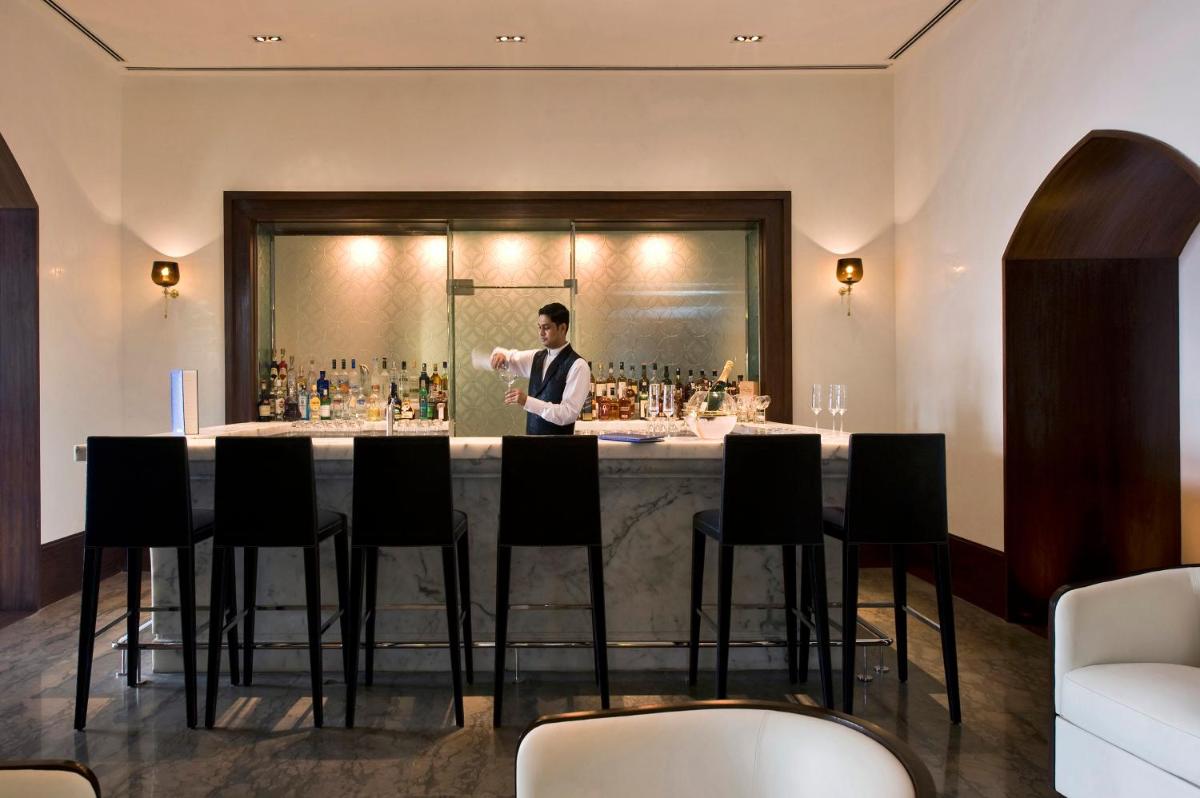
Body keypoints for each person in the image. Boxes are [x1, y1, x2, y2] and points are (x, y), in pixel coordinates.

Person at [491, 302, 589, 435]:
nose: (541, 333)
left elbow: (567, 414)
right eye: (539, 327)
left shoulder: (578, 365)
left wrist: (527, 401)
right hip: (531, 445)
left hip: (560, 449)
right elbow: (509, 357)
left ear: (562, 328)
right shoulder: (535, 357)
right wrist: (501, 355)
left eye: (546, 328)